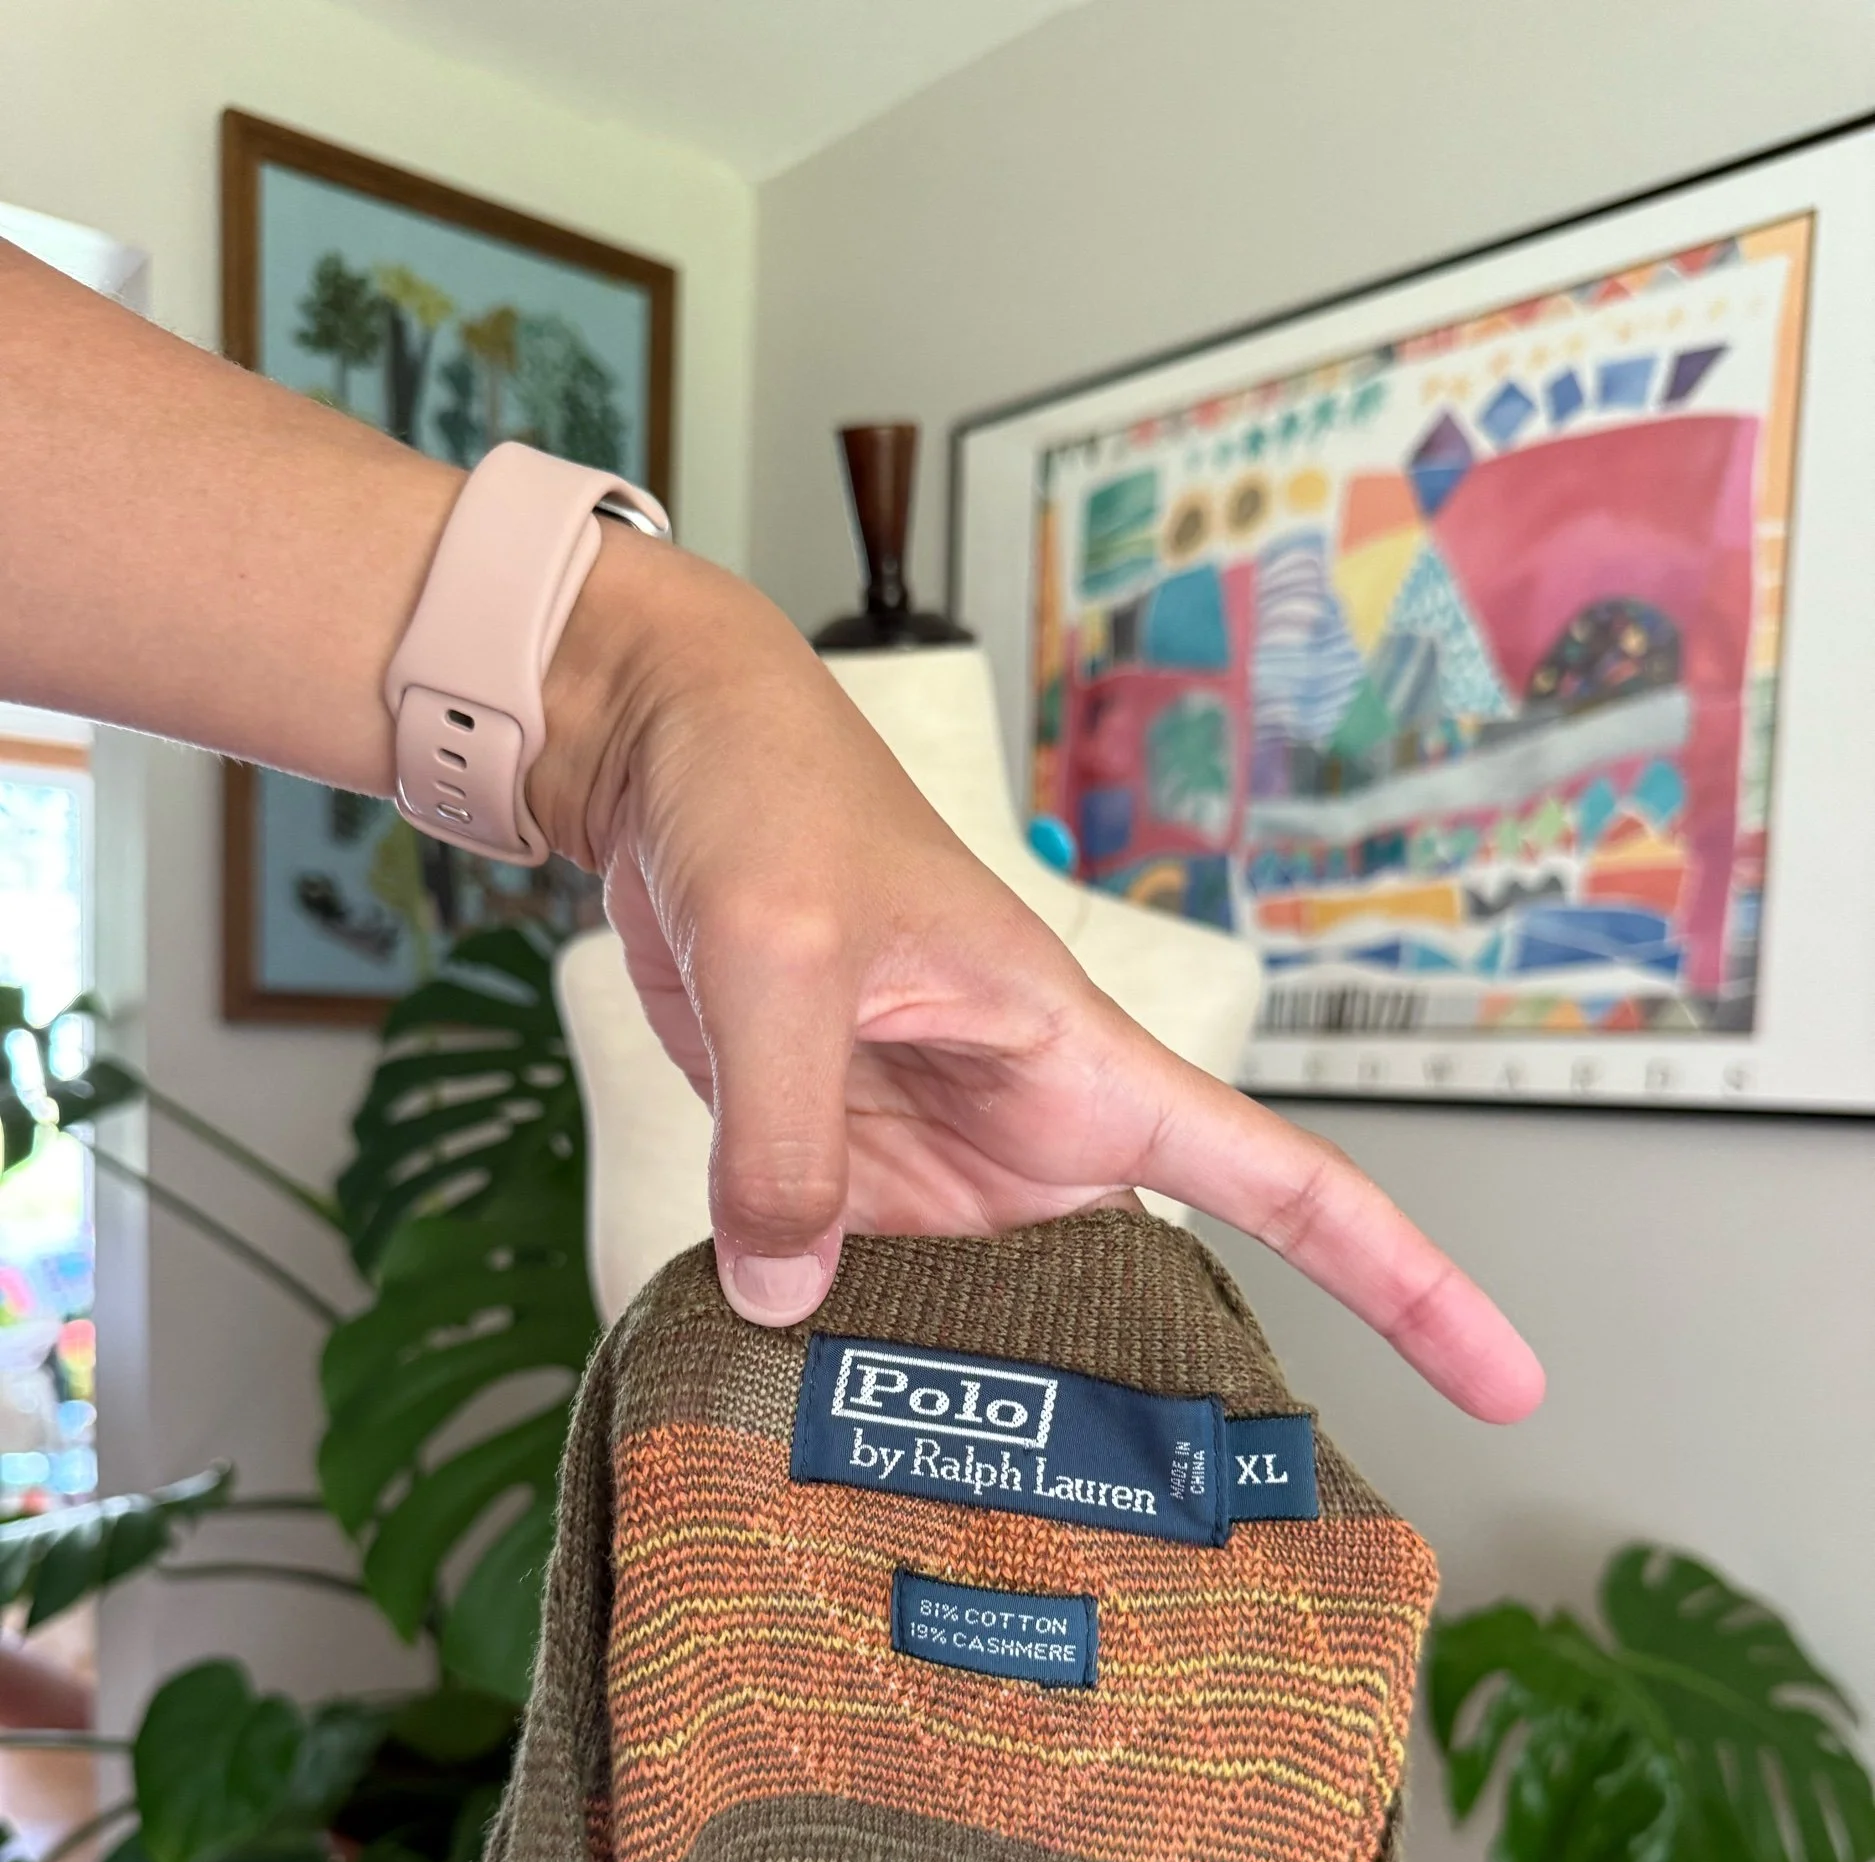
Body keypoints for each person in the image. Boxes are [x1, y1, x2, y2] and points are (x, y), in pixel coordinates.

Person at [0, 240, 1541, 1423]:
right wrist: (646, 679)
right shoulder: (635, 957)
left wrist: (637, 678)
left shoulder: (1171, 977)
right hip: (712, 1623)